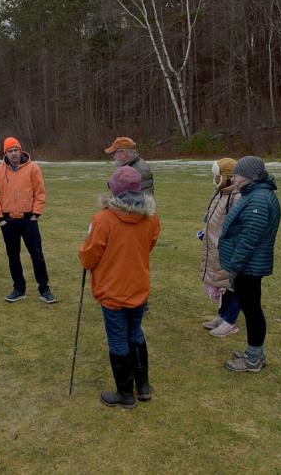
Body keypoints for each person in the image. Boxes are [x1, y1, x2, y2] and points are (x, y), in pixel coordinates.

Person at [79, 166, 161, 409]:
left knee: (118, 340)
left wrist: (83, 254)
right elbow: (150, 242)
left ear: (114, 190)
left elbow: (89, 256)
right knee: (135, 332)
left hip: (113, 291)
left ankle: (125, 395)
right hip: (138, 287)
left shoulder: (103, 219)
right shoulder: (151, 216)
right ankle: (143, 387)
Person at [219, 156, 281, 372]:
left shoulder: (259, 200)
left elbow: (249, 239)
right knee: (251, 308)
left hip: (249, 266)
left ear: (249, 176)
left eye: (236, 174)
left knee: (252, 310)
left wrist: (235, 266)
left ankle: (253, 359)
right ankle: (255, 353)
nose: (234, 178)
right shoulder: (255, 193)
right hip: (248, 265)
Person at [0, 136, 57, 304]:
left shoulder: (33, 169)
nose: (13, 154)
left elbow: (40, 193)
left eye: (16, 150)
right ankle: (19, 289)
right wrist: (0, 219)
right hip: (8, 222)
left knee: (37, 255)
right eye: (10, 151)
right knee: (13, 256)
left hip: (29, 220)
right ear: (6, 153)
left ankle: (44, 289)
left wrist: (35, 215)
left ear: (21, 150)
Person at [199, 158, 242, 337]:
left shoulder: (236, 196)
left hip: (228, 250)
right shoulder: (219, 193)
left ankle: (230, 321)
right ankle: (222, 315)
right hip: (215, 248)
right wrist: (204, 232)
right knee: (222, 284)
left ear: (229, 177)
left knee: (233, 285)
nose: (215, 180)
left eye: (218, 177)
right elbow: (212, 218)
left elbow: (238, 226)